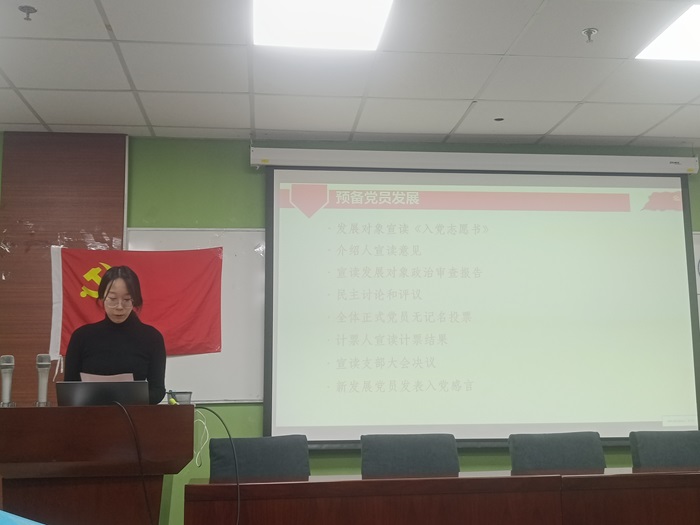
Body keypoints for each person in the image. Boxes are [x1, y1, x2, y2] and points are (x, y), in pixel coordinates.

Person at [64, 265, 166, 404]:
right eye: (112, 299)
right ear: (102, 297)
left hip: (133, 415)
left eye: (126, 299)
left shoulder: (152, 338)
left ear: (135, 300)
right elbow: (69, 389)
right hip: (90, 415)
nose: (119, 307)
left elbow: (158, 390)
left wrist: (130, 398)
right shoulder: (81, 337)